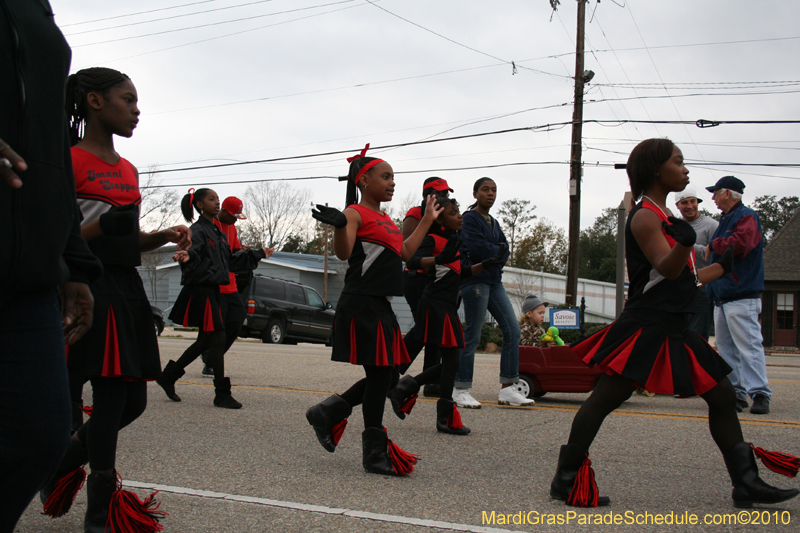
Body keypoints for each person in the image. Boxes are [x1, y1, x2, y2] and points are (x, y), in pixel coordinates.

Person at [549, 138, 798, 509]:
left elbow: (688, 279)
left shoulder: (664, 215)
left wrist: (724, 265)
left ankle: (746, 483)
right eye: (678, 163)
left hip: (674, 325)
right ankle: (566, 479)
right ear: (655, 170)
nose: (685, 170)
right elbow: (667, 267)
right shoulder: (646, 214)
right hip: (648, 325)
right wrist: (684, 245)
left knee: (722, 395)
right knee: (606, 397)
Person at [41, 67, 193, 531]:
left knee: (134, 402)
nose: (136, 108)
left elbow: (128, 239)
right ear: (93, 101)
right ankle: (99, 511)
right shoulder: (68, 160)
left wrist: (161, 236)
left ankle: (59, 464)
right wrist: (103, 227)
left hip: (127, 287)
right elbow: (58, 237)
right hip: (90, 285)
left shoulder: (127, 169)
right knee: (109, 398)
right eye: (127, 99)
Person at [0, 5, 102, 530]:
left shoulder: (34, 7)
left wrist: (73, 262)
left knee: (38, 435)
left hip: (30, 267)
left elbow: (46, 145)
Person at [305, 144, 442, 476]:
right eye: (386, 176)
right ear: (364, 180)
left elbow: (407, 253)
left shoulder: (388, 219)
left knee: (388, 374)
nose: (392, 182)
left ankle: (328, 412)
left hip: (381, 305)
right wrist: (339, 225)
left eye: (394, 177)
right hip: (360, 303)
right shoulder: (354, 213)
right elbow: (344, 253)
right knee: (382, 376)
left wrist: (426, 219)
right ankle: (373, 452)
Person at [389, 197, 505, 435]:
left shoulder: (455, 240)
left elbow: (461, 271)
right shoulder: (433, 239)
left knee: (453, 361)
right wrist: (438, 259)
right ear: (441, 219)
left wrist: (488, 264)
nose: (460, 216)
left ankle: (406, 387)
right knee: (452, 360)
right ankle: (441, 416)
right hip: (433, 304)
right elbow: (412, 261)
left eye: (459, 211)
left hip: (447, 305)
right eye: (454, 213)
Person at [158, 188, 273, 409]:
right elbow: (196, 251)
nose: (216, 202)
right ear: (200, 205)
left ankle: (168, 376)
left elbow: (229, 261)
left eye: (217, 199)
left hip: (213, 290)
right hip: (202, 291)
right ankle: (221, 393)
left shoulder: (217, 232)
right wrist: (188, 254)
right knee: (217, 338)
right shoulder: (197, 230)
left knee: (205, 340)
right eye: (211, 199)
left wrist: (259, 253)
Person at [453, 177, 531, 409]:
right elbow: (478, 249)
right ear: (475, 193)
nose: (490, 194)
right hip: (475, 282)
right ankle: (460, 388)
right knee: (473, 335)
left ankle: (508, 388)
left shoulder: (494, 222)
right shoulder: (469, 219)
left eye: (494, 190)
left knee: (513, 329)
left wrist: (495, 254)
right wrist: (495, 253)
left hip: (494, 282)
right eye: (485, 190)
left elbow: (504, 250)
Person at [705, 177, 772, 415]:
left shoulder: (746, 216)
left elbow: (742, 243)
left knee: (749, 346)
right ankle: (736, 393)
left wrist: (715, 245)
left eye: (716, 193)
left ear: (728, 193)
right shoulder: (728, 219)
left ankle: (760, 393)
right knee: (726, 347)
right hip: (724, 295)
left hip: (741, 293)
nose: (713, 197)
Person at [401, 177, 453, 397]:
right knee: (425, 328)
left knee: (433, 330)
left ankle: (430, 381)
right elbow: (407, 250)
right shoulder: (415, 213)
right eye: (440, 193)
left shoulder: (445, 216)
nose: (445, 197)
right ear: (427, 194)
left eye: (447, 194)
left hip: (435, 280)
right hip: (415, 278)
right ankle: (395, 368)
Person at [200, 196, 249, 378]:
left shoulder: (232, 228)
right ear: (224, 212)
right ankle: (210, 361)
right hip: (215, 286)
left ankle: (212, 357)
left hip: (231, 286)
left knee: (237, 319)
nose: (236, 219)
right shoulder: (210, 226)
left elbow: (234, 252)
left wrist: (243, 252)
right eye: (234, 216)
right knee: (215, 329)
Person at [673, 185, 718, 340]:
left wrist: (687, 244)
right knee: (678, 334)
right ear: (677, 205)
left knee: (697, 336)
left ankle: (697, 364)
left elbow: (715, 258)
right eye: (685, 203)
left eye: (693, 201)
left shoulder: (711, 225)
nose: (690, 206)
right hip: (679, 289)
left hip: (702, 290)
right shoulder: (675, 227)